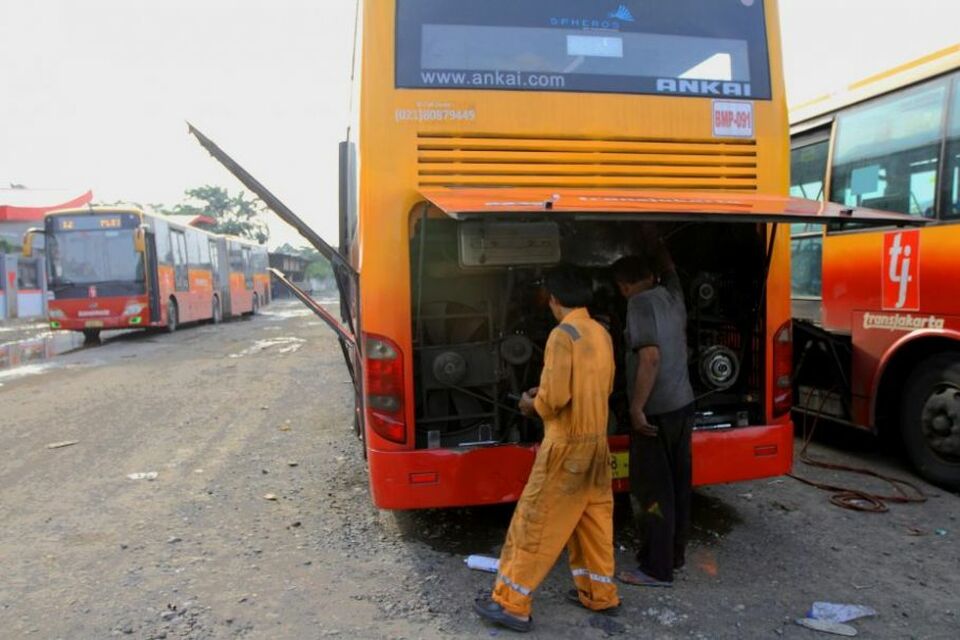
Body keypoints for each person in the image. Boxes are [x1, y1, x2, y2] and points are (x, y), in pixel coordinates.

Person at [474, 268, 619, 633]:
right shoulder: (600, 332)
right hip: (598, 445)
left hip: (566, 447)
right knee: (594, 522)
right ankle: (599, 594)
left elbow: (554, 398)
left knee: (534, 524)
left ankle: (511, 604)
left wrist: (529, 404)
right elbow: (605, 384)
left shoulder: (562, 335)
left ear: (553, 299)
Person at [611, 227, 695, 588]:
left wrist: (636, 409)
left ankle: (656, 569)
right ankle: (674, 555)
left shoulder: (638, 303)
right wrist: (655, 241)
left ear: (624, 286)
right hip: (683, 406)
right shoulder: (673, 293)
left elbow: (649, 358)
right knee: (679, 486)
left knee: (652, 493)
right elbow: (671, 268)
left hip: (655, 415)